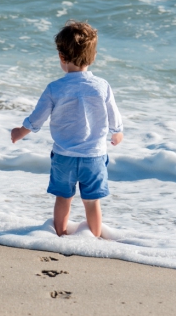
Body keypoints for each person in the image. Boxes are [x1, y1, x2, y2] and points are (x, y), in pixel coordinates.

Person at [11, 20, 123, 238]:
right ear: (94, 56)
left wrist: (20, 132)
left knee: (63, 199)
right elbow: (114, 115)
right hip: (95, 156)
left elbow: (37, 118)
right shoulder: (102, 86)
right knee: (92, 203)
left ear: (62, 58)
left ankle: (60, 237)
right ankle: (93, 239)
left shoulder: (55, 88)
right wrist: (117, 132)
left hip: (64, 157)